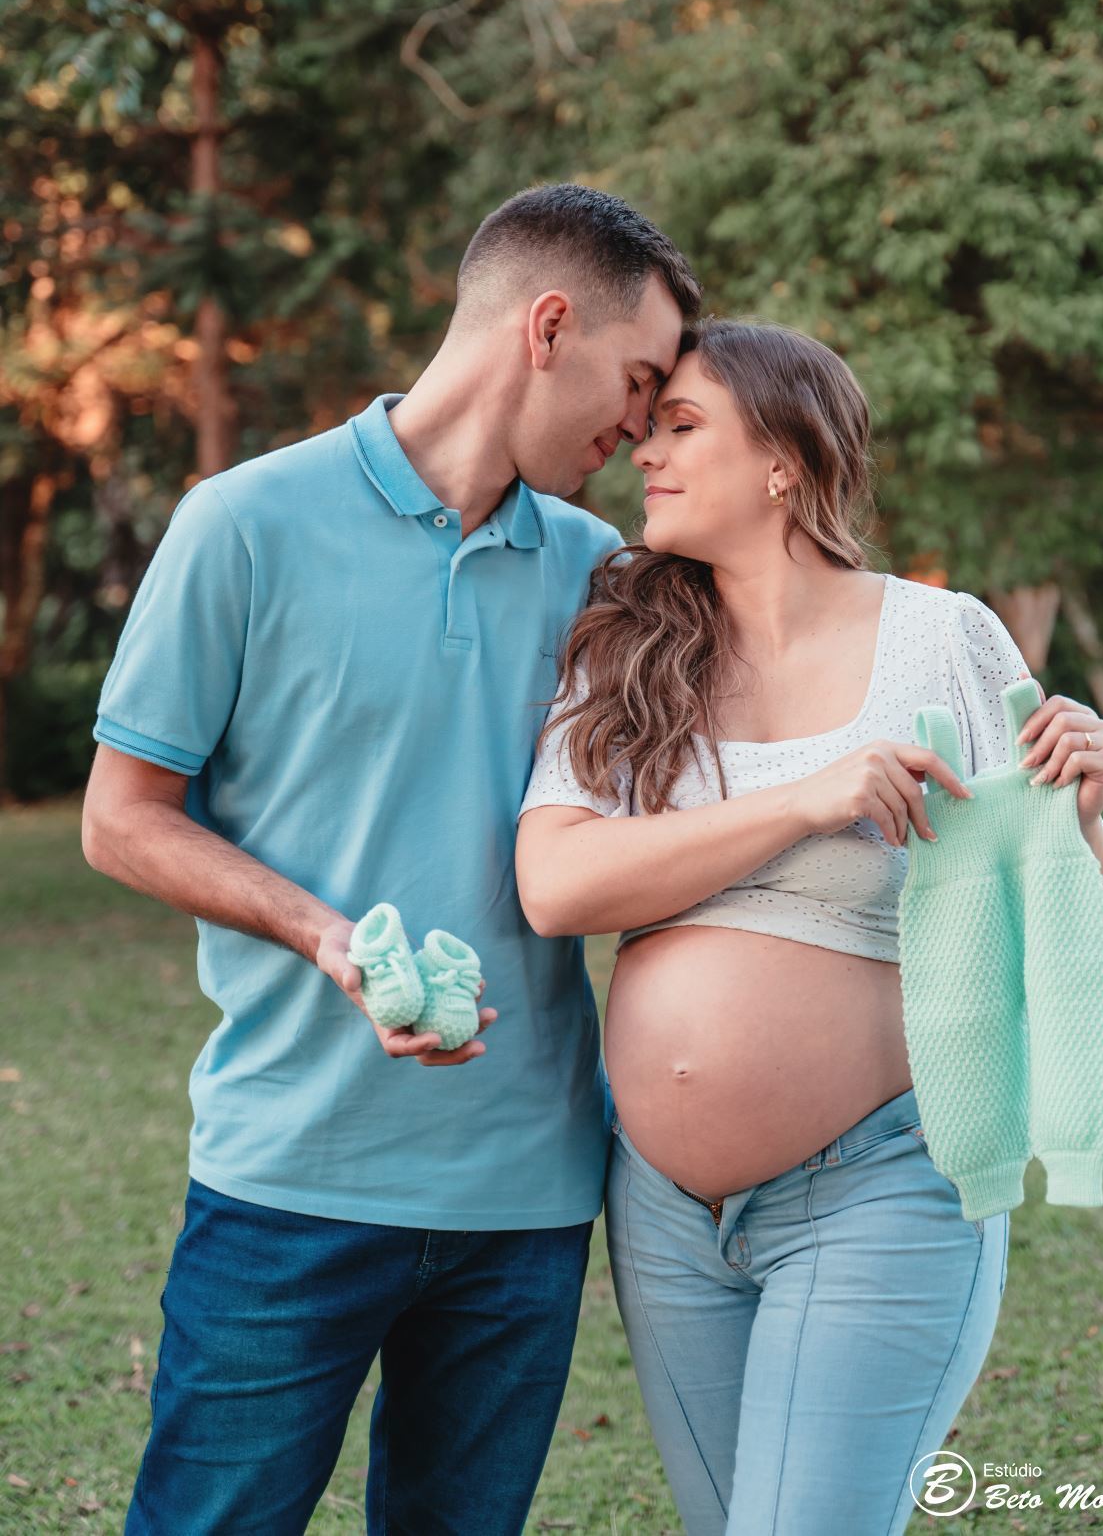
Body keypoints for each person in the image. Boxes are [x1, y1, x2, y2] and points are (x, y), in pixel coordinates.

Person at [80, 182, 700, 1535]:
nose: (643, 425)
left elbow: (767, 710)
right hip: (287, 1179)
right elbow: (119, 815)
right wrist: (317, 933)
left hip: (526, 1202)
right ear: (548, 326)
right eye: (638, 379)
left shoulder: (602, 573)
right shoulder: (242, 522)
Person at [515, 316, 1103, 1535]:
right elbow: (558, 887)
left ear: (783, 458)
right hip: (664, 1212)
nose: (646, 451)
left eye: (683, 427)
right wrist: (810, 799)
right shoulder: (629, 644)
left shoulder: (939, 638)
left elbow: (1059, 905)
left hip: (877, 1188)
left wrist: (1086, 811)